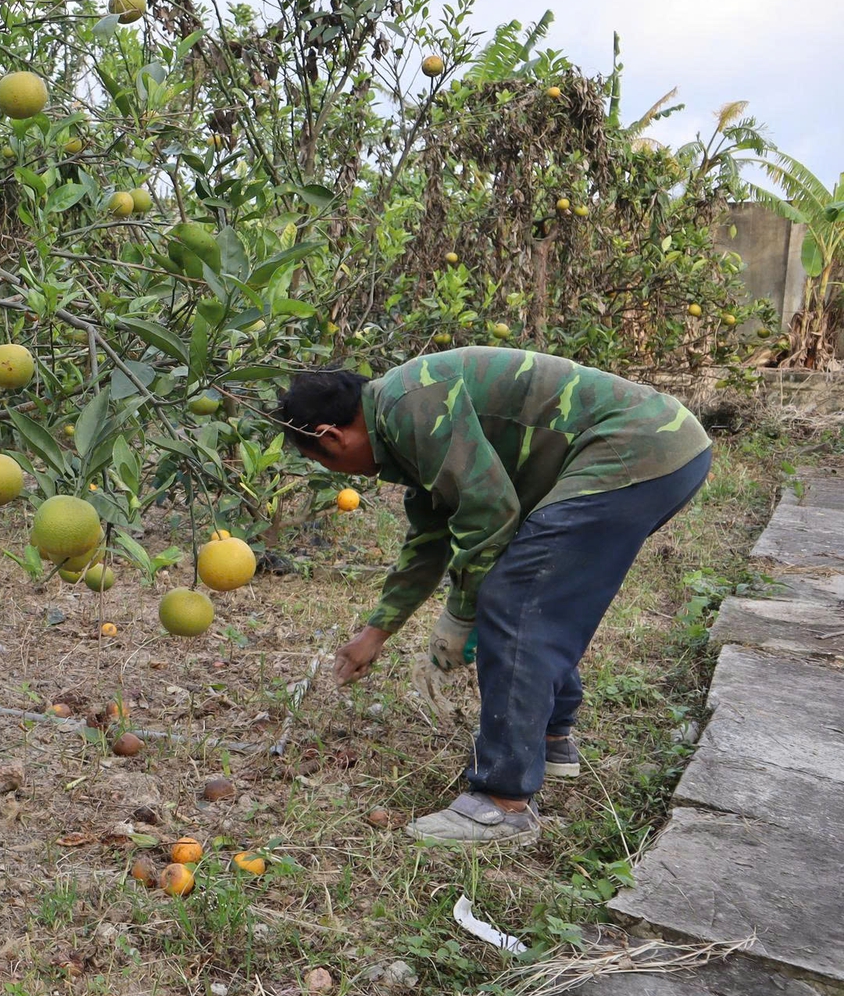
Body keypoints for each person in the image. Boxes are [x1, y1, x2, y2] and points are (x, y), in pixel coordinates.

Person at [277, 347, 712, 844]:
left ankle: (502, 803)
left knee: (515, 598)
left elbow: (487, 514)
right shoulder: (400, 420)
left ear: (330, 436)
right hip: (663, 449)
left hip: (637, 449)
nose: (340, 475)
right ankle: (551, 740)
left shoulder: (409, 406)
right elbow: (429, 539)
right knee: (537, 595)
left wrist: (460, 617)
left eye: (322, 462)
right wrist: (376, 633)